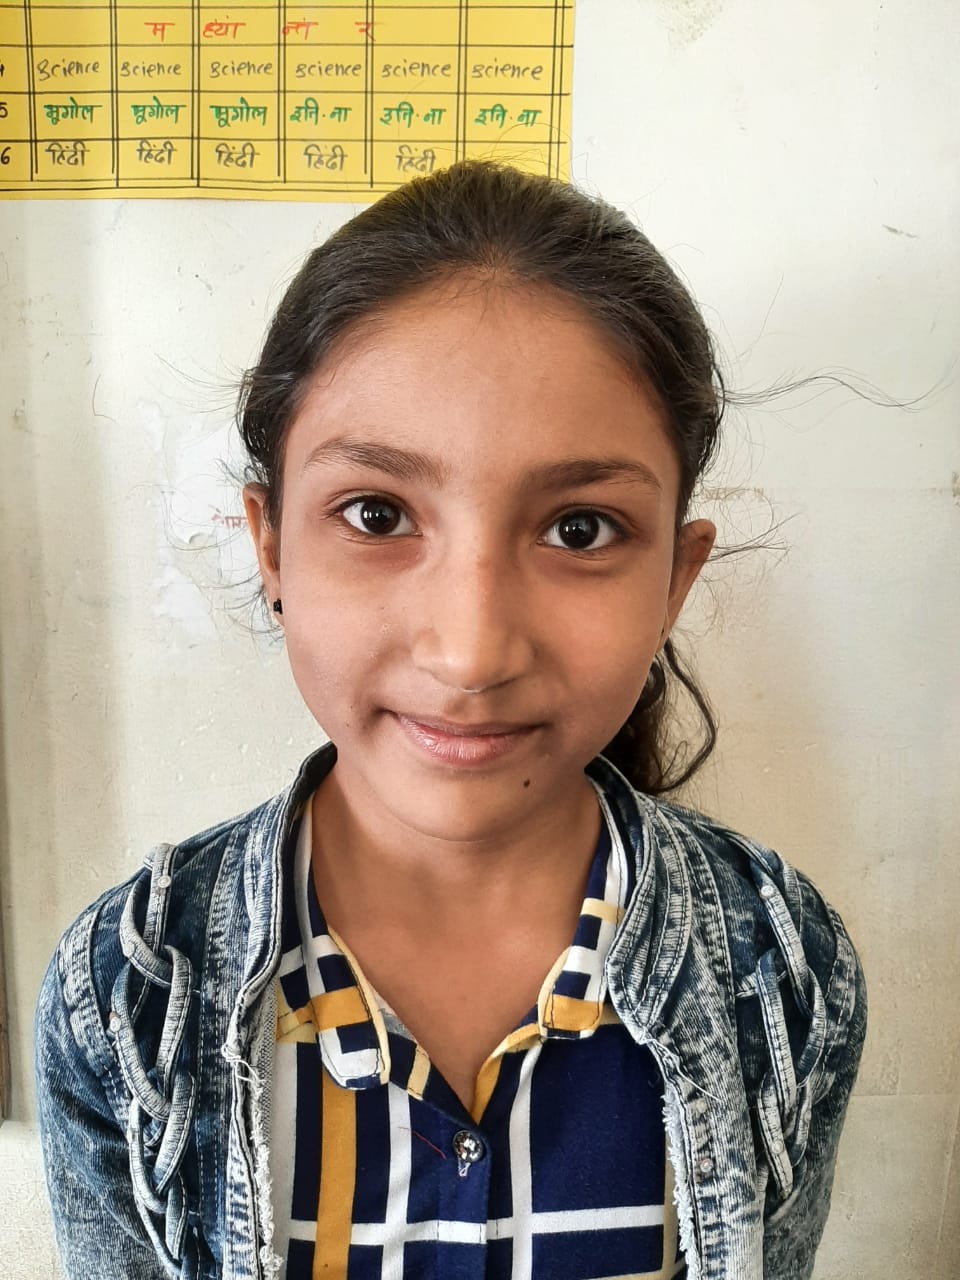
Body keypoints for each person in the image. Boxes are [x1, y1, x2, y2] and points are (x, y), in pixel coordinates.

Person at [35, 160, 866, 1280]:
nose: (471, 653)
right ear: (271, 546)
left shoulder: (782, 967)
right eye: (378, 514)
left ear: (676, 575)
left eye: (579, 529)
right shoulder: (127, 992)